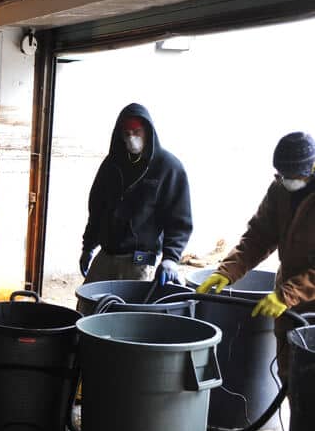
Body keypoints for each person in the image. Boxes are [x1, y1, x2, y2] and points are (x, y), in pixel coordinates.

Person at [196, 131, 315, 385]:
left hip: (304, 298)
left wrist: (289, 294)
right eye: (282, 175)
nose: (287, 181)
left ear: (311, 167)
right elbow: (259, 236)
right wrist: (227, 271)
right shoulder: (280, 190)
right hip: (288, 302)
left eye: (293, 176)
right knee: (291, 378)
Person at [79, 103, 192, 285]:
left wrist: (171, 257)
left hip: (140, 261)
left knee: (129, 311)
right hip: (107, 255)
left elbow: (179, 220)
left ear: (147, 131)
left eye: (137, 132)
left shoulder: (168, 168)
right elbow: (97, 209)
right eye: (127, 134)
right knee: (89, 307)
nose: (132, 138)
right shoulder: (111, 165)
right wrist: (88, 247)